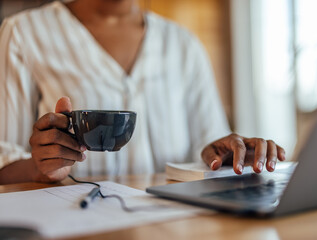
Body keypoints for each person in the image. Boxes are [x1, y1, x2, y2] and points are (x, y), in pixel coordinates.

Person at [0, 0, 285, 184]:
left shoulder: (183, 44)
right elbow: (4, 163)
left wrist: (228, 158)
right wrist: (41, 168)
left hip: (175, 229)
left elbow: (208, 152)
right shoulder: (24, 34)